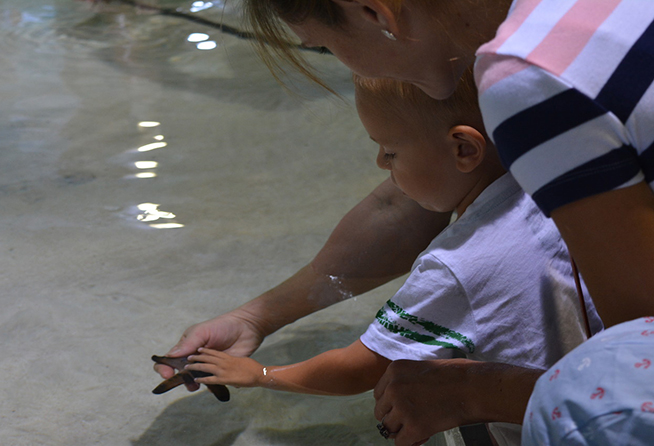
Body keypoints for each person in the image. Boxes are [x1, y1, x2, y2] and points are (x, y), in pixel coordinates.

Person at [157, 0, 654, 444]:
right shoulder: (527, 148)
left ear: (375, 14)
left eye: (322, 45)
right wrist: (253, 318)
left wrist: (479, 392)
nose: (381, 167)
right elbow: (400, 207)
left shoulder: (531, 79)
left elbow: (639, 363)